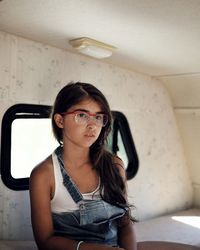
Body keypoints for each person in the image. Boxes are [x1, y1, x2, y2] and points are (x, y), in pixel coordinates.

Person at [29, 82, 137, 250]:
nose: (92, 125)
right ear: (59, 120)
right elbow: (45, 241)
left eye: (98, 117)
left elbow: (125, 226)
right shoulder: (43, 175)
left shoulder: (115, 165)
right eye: (82, 115)